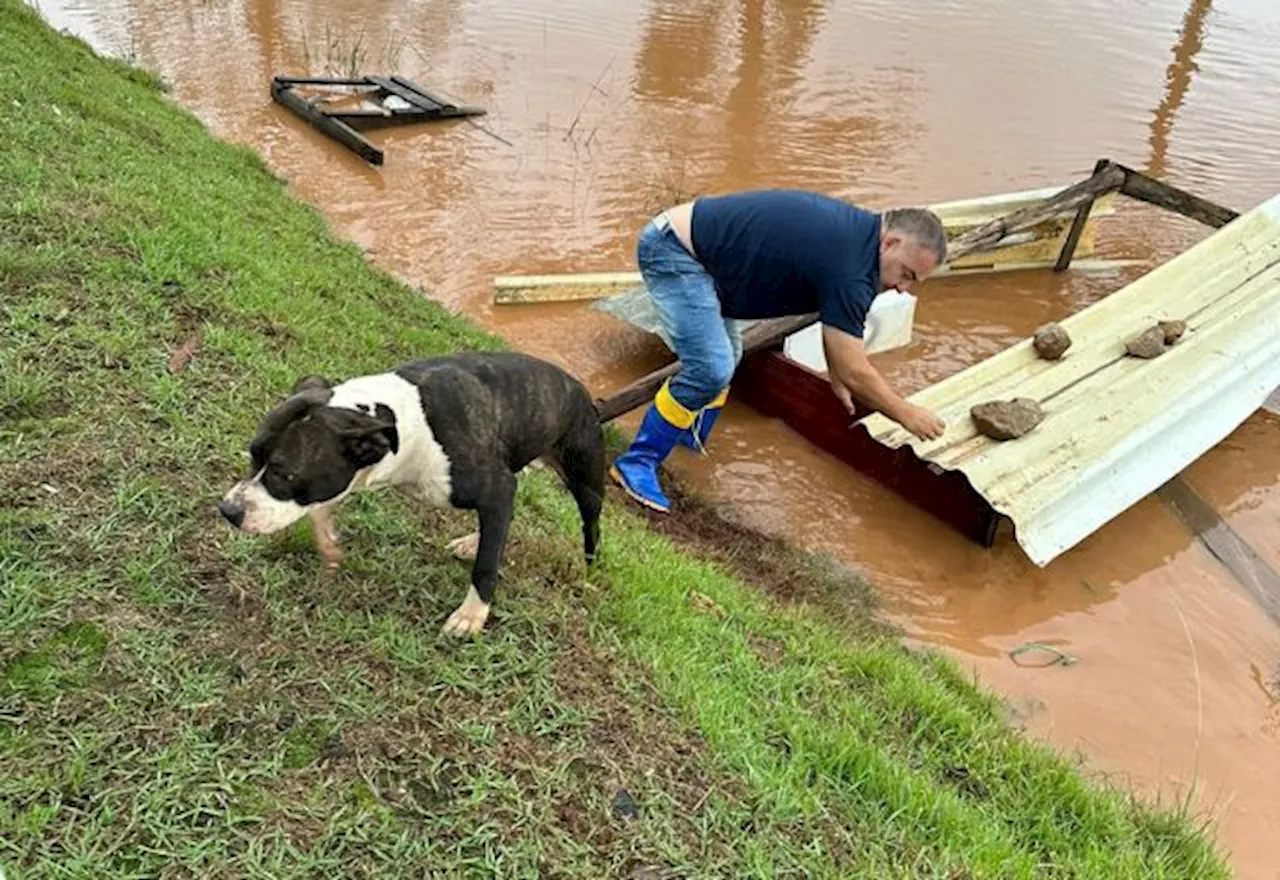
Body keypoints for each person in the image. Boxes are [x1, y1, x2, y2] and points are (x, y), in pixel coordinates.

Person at [609, 188, 949, 514]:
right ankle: (636, 463)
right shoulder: (851, 268)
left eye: (912, 281)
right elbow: (855, 368)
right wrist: (907, 414)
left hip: (706, 255)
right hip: (676, 251)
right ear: (891, 242)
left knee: (727, 357)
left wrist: (838, 377)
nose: (903, 289)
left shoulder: (859, 242)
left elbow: (842, 335)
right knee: (711, 368)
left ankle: (686, 438)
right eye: (905, 274)